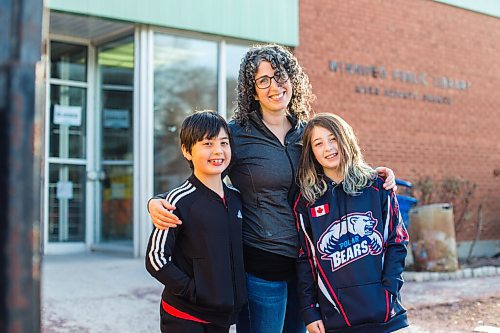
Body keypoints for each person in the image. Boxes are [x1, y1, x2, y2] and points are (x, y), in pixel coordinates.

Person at [148, 44, 396, 333]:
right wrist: (157, 200)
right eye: (263, 80)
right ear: (252, 91)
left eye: (280, 76)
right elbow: (204, 175)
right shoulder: (237, 135)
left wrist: (371, 174)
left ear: (293, 80)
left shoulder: (308, 133)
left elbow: (337, 171)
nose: (274, 87)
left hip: (309, 265)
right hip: (261, 267)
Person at [294, 113, 409, 333]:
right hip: (336, 318)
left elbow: (397, 242)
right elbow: (306, 259)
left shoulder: (377, 186)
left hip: (385, 315)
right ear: (311, 152)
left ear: (345, 139)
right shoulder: (306, 201)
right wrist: (310, 311)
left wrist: (390, 292)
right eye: (319, 143)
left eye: (333, 139)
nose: (328, 148)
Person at [145, 110, 247, 333]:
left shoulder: (236, 198)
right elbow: (156, 258)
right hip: (184, 316)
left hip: (220, 318)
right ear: (186, 151)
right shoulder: (177, 201)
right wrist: (194, 291)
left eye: (224, 143)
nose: (218, 151)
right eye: (207, 144)